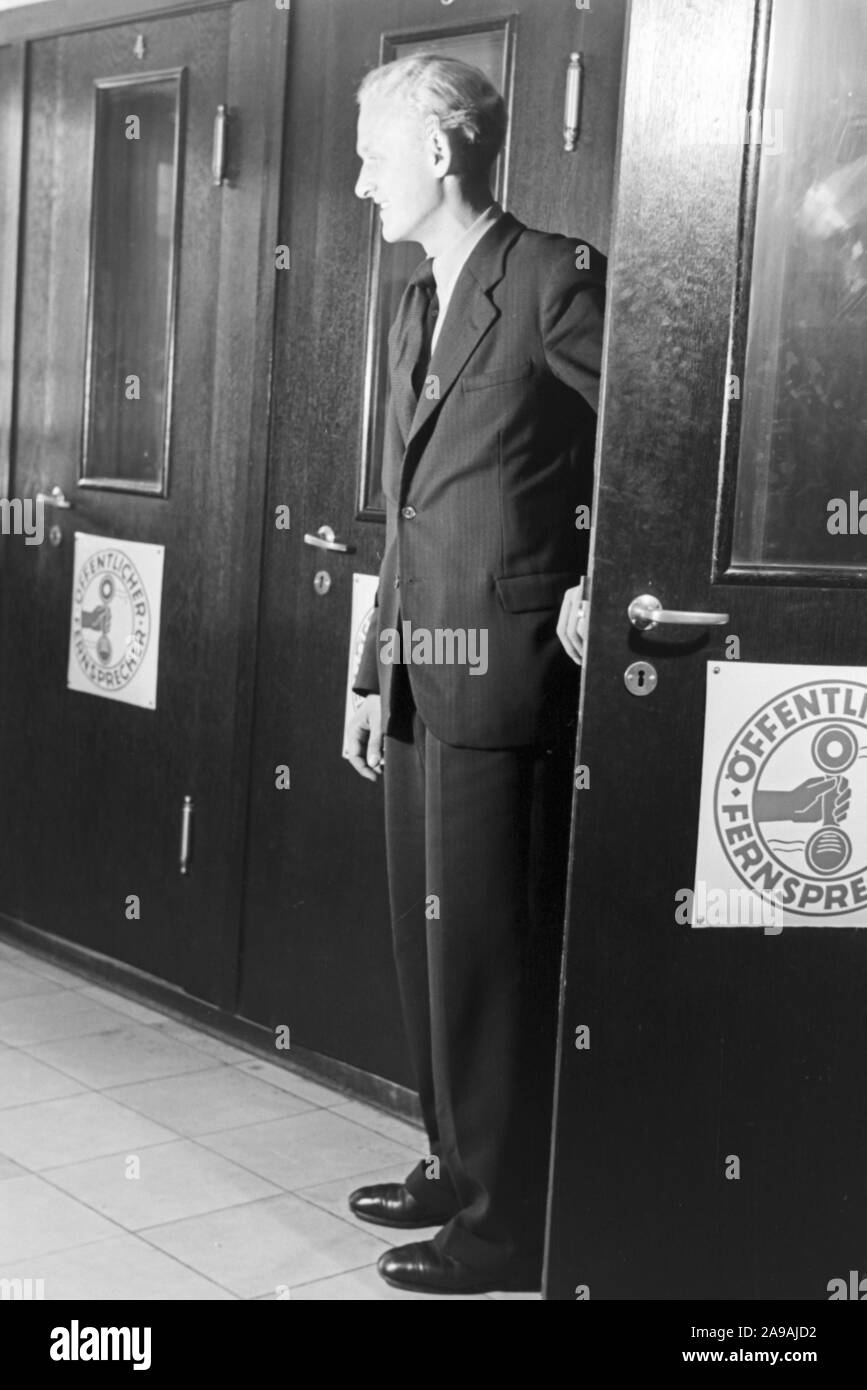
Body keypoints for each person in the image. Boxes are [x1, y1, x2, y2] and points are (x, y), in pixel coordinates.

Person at [345, 53, 603, 1295]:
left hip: (503, 679)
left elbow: (665, 438)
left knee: (492, 957)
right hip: (418, 673)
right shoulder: (416, 301)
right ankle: (451, 1163)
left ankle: (502, 1230)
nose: (359, 185)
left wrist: (602, 578)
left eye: (372, 158)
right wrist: (366, 671)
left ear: (438, 155)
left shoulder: (553, 277)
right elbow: (408, 513)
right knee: (429, 943)